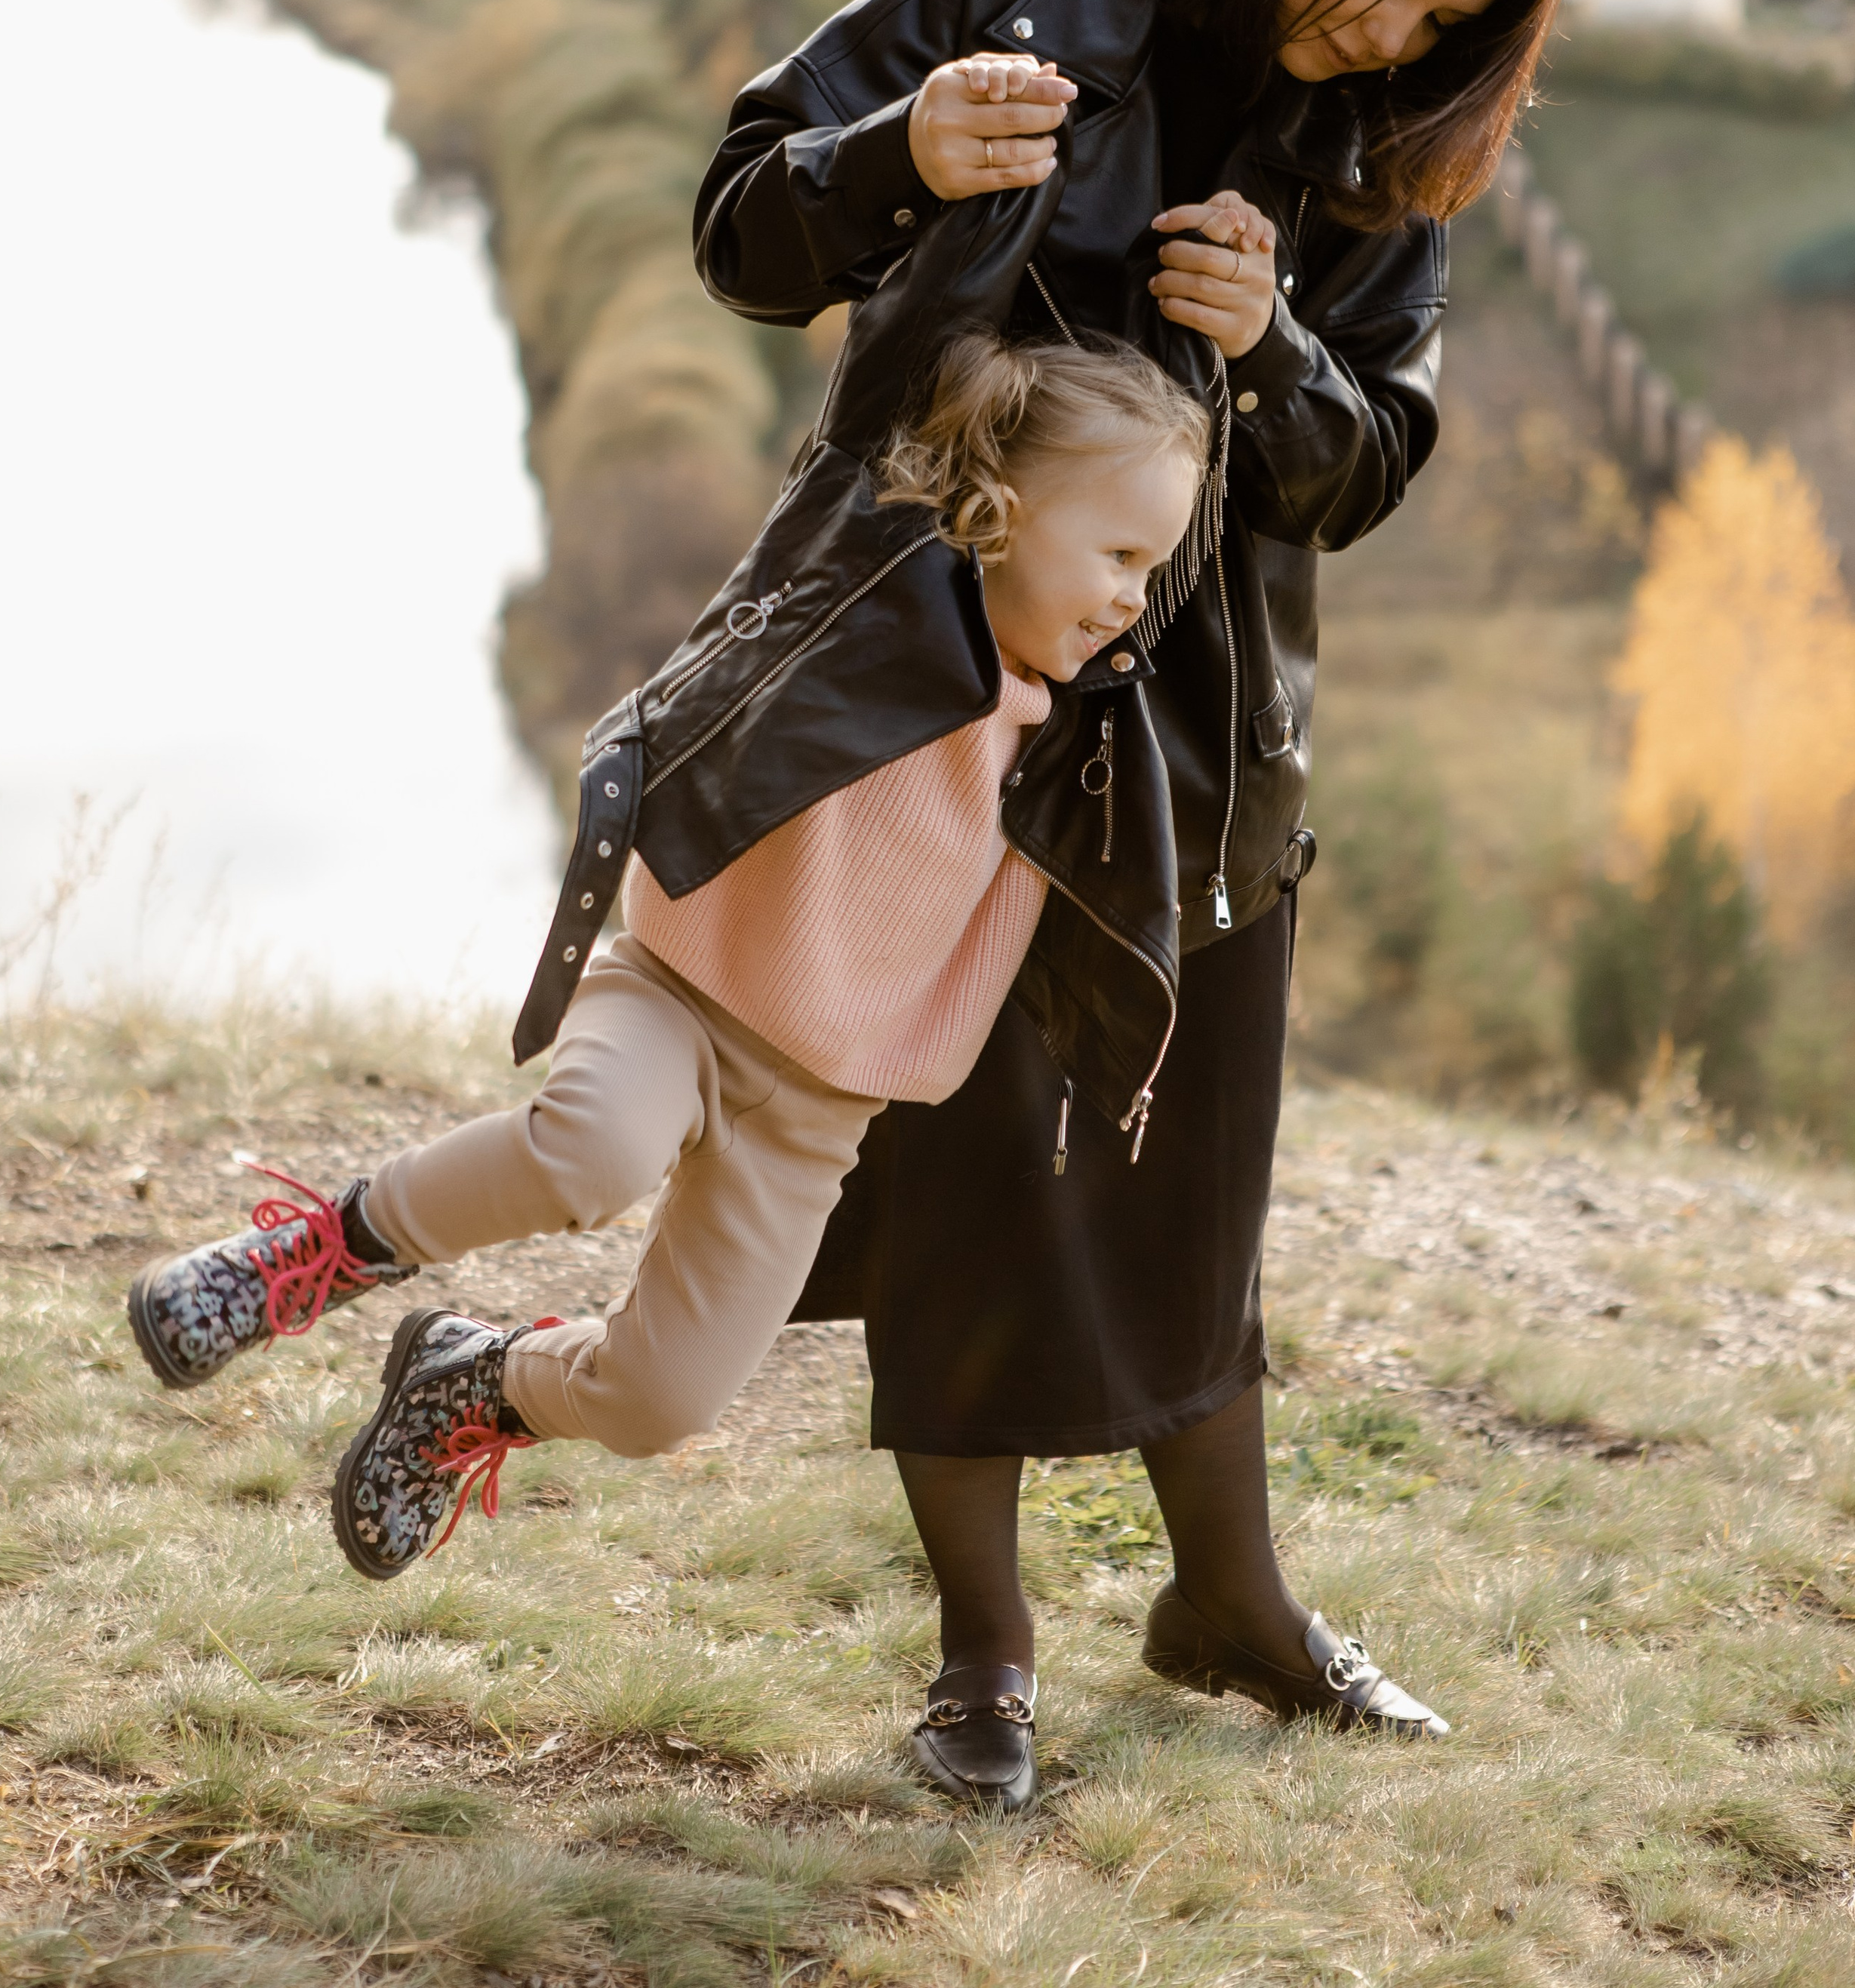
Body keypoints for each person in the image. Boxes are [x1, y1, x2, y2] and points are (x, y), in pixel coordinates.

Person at [694, 0, 1580, 1805]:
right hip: (932, 721)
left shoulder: (1384, 159)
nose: (1381, 32)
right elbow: (743, 231)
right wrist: (900, 151)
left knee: (1199, 1191)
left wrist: (1276, 348)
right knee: (968, 1185)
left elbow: (1358, 475)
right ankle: (986, 1664)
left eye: (1440, 21)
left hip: (1207, 760)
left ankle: (1233, 1607)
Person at [128, 315, 1209, 1626]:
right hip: (686, 990)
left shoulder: (1087, 734)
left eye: (1155, 567)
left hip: (821, 1112)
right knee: (591, 1152)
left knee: (661, 1401)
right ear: (996, 508)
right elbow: (884, 393)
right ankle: (319, 1252)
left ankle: (480, 1380)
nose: (1134, 596)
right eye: (1118, 553)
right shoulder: (883, 590)